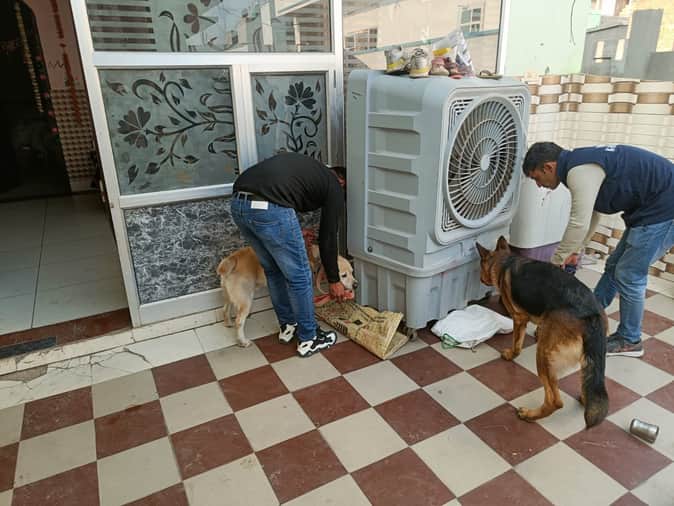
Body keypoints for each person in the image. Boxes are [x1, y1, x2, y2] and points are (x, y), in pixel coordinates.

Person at [522, 143, 674, 357]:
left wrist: (556, 263)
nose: (539, 185)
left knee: (629, 275)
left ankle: (630, 340)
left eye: (536, 178)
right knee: (614, 267)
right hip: (651, 208)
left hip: (664, 209)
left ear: (548, 167)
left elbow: (578, 222)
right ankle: (586, 317)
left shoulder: (579, 171)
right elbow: (593, 213)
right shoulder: (578, 163)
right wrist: (576, 249)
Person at [230, 152, 347, 357]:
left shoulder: (309, 171)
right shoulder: (334, 185)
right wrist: (334, 280)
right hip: (270, 208)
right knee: (300, 276)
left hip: (239, 205)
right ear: (342, 182)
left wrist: (291, 231)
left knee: (273, 270)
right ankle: (309, 338)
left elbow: (281, 196)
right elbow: (328, 236)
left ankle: (288, 325)